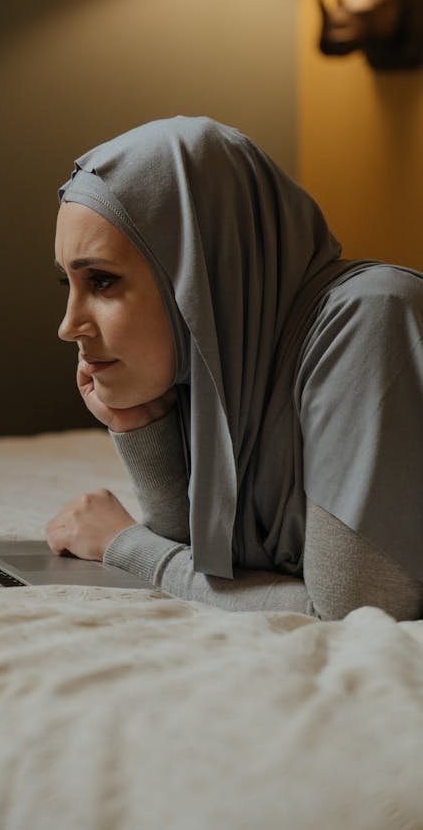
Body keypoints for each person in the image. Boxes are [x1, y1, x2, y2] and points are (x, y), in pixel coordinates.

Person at [45, 117, 423, 620]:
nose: (69, 327)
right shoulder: (233, 369)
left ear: (199, 268)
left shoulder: (372, 317)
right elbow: (207, 563)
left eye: (103, 281)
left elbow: (356, 613)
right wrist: (141, 423)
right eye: (67, 284)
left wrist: (125, 546)